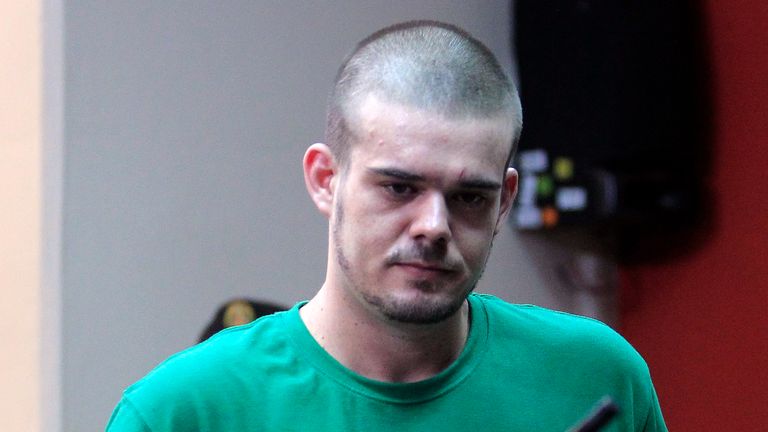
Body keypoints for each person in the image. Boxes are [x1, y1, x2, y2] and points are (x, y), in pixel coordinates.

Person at [106, 21, 666, 431]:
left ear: (504, 203)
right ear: (326, 179)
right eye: (399, 187)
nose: (434, 226)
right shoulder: (184, 413)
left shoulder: (596, 378)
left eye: (470, 196)